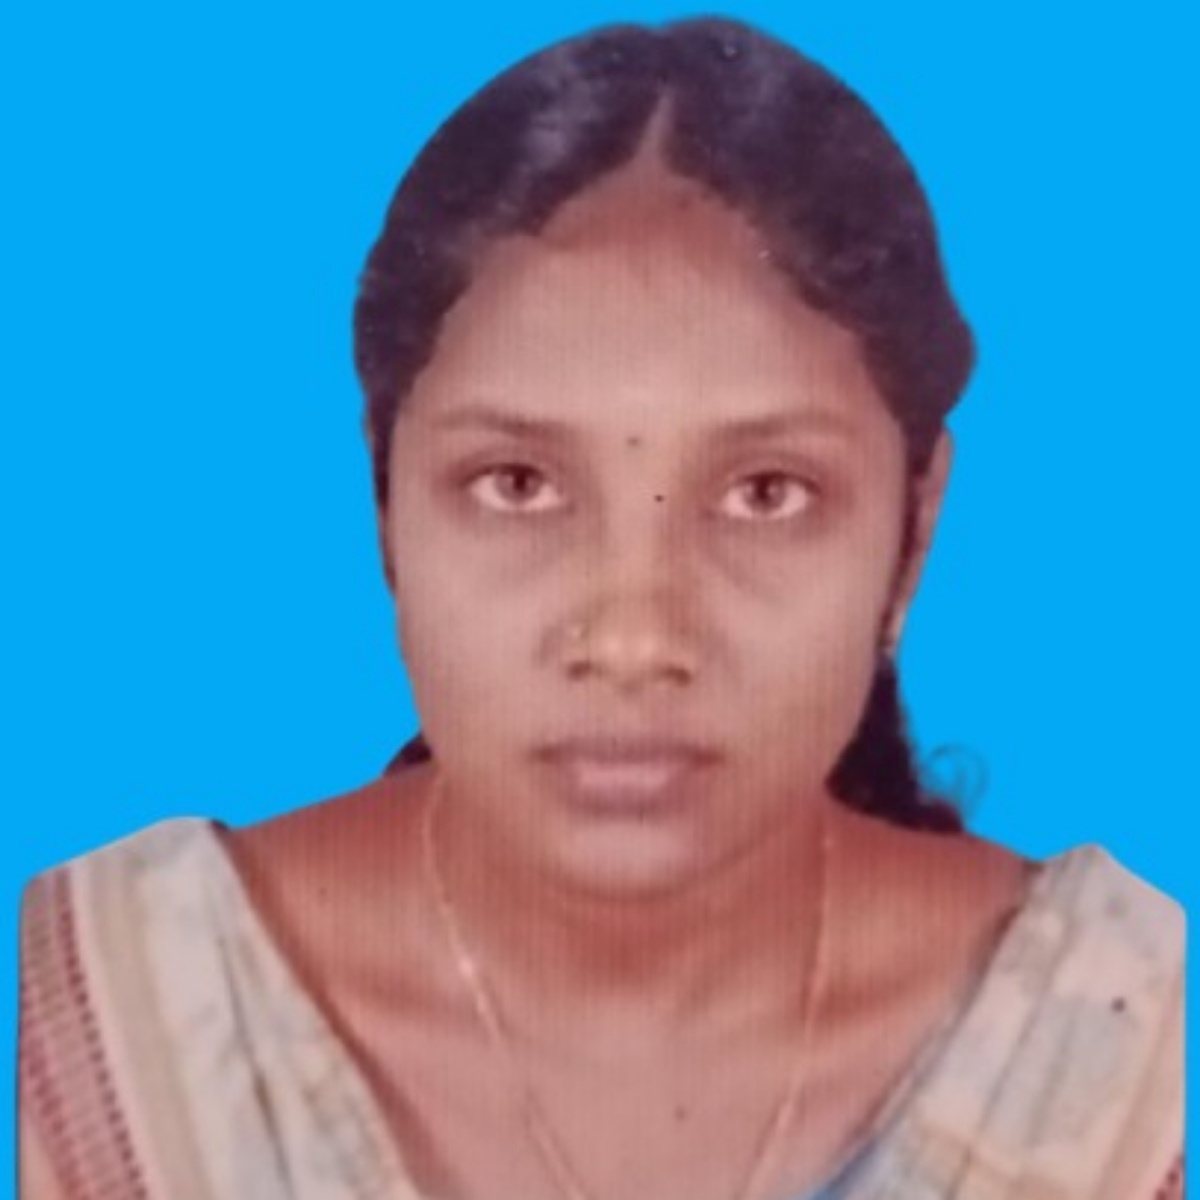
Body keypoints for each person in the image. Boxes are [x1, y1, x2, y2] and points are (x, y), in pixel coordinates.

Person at [17, 16, 1183, 1200]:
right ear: (385, 501)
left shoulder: (1137, 1067)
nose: (634, 639)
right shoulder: (90, 1025)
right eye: (518, 484)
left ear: (912, 533)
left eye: (766, 494)